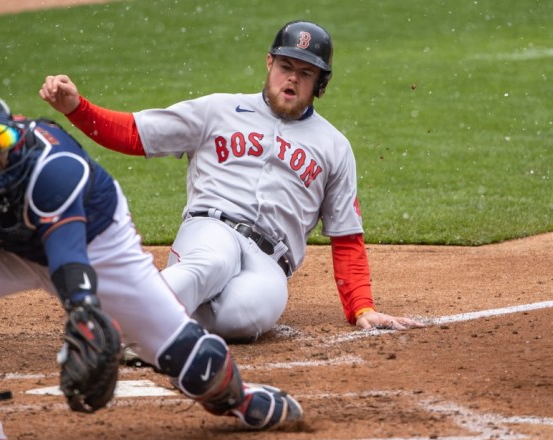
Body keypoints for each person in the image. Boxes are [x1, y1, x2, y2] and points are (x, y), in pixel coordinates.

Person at [0, 83, 304, 440]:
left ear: (15, 128)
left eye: (2, 141)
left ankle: (239, 398)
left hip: (99, 246)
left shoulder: (53, 165)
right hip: (9, 251)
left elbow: (67, 253)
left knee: (194, 364)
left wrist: (84, 308)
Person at [39, 20, 425, 344]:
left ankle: (161, 319)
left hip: (271, 263)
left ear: (320, 84)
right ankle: (112, 328)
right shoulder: (217, 110)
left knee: (242, 318)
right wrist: (77, 107)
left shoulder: (334, 147)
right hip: (211, 227)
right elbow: (136, 134)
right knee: (212, 261)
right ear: (269, 63)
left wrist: (362, 307)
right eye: (286, 66)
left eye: (305, 72)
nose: (292, 78)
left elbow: (346, 236)